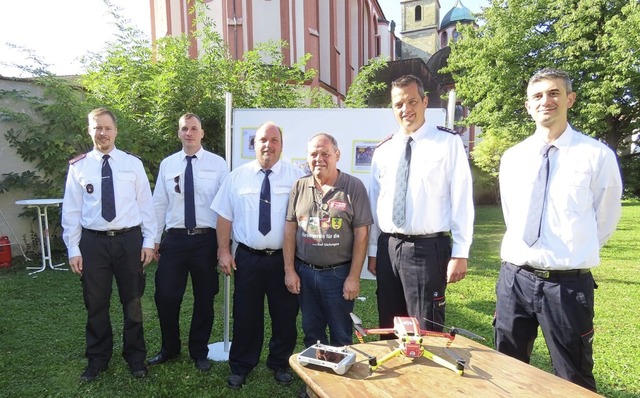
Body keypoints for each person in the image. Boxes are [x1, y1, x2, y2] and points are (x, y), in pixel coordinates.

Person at [494, 68, 622, 392]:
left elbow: (604, 220)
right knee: (505, 369)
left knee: (573, 379)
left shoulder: (596, 156)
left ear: (570, 99)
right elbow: (512, 214)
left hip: (566, 288)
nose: (545, 101)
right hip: (515, 280)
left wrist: (571, 252)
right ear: (527, 105)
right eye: (537, 95)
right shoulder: (513, 158)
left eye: (553, 93)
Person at [368, 75, 474, 333]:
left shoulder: (448, 144)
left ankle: (427, 373)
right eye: (399, 104)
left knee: (425, 326)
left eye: (412, 101)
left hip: (427, 249)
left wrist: (460, 253)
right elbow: (375, 203)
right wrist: (374, 249)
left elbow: (462, 199)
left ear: (425, 102)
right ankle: (396, 373)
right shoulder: (383, 150)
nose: (406, 109)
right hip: (388, 247)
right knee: (390, 323)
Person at [61, 107, 157, 381]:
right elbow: (71, 211)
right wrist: (74, 248)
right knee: (96, 304)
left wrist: (148, 241)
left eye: (107, 127)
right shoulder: (79, 167)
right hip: (93, 243)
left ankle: (136, 357)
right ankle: (98, 359)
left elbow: (146, 206)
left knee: (133, 302)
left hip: (128, 241)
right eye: (97, 127)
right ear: (89, 130)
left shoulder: (132, 163)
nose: (102, 133)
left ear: (116, 131)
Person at [211, 121, 304, 390]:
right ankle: (241, 365)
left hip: (283, 260)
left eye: (274, 140)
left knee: (285, 315)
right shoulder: (237, 177)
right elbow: (224, 216)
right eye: (263, 139)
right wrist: (224, 251)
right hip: (248, 258)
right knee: (245, 315)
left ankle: (280, 363)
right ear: (254, 144)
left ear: (281, 146)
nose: (268, 145)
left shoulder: (296, 177)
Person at [148, 113, 228, 372]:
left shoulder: (218, 165)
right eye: (184, 129)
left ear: (202, 133)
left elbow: (225, 208)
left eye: (194, 129)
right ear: (179, 133)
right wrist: (154, 239)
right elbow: (158, 203)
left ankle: (199, 351)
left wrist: (223, 245)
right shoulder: (168, 164)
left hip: (206, 241)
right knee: (166, 296)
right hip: (175, 240)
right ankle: (169, 348)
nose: (189, 133)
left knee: (205, 298)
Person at [284, 133, 373, 347]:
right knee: (311, 332)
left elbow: (362, 235)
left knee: (341, 333)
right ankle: (315, 377)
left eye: (325, 153)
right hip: (305, 272)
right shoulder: (299, 186)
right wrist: (289, 270)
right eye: (314, 154)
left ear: (337, 155)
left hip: (338, 275)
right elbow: (289, 230)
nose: (319, 158)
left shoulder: (353, 187)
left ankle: (341, 378)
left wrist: (354, 277)